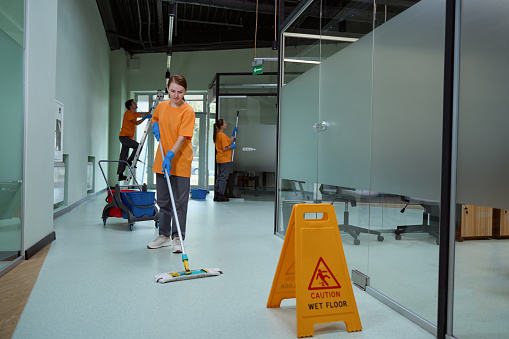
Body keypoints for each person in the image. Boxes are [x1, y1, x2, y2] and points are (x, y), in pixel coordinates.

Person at [147, 75, 195, 252]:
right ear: (168, 88)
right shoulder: (161, 106)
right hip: (162, 160)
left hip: (180, 160)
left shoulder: (188, 111)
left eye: (180, 92)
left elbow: (182, 137)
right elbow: (156, 118)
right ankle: (164, 236)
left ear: (185, 92)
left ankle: (177, 238)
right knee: (163, 200)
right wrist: (155, 125)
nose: (176, 95)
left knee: (180, 202)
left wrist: (170, 155)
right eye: (173, 91)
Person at [117, 99, 152, 181]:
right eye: (133, 103)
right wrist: (145, 118)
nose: (135, 104)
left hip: (127, 137)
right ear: (130, 106)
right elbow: (136, 123)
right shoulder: (128, 113)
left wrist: (151, 110)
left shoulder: (134, 113)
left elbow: (145, 115)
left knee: (123, 155)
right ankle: (130, 160)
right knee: (138, 146)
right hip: (124, 137)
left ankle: (120, 174)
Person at [213, 119, 237, 202]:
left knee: (220, 177)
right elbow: (224, 148)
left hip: (220, 158)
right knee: (223, 177)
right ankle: (221, 196)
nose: (226, 124)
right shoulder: (221, 135)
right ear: (221, 126)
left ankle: (217, 195)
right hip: (224, 159)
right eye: (225, 123)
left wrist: (233, 134)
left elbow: (228, 142)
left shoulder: (219, 134)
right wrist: (232, 147)